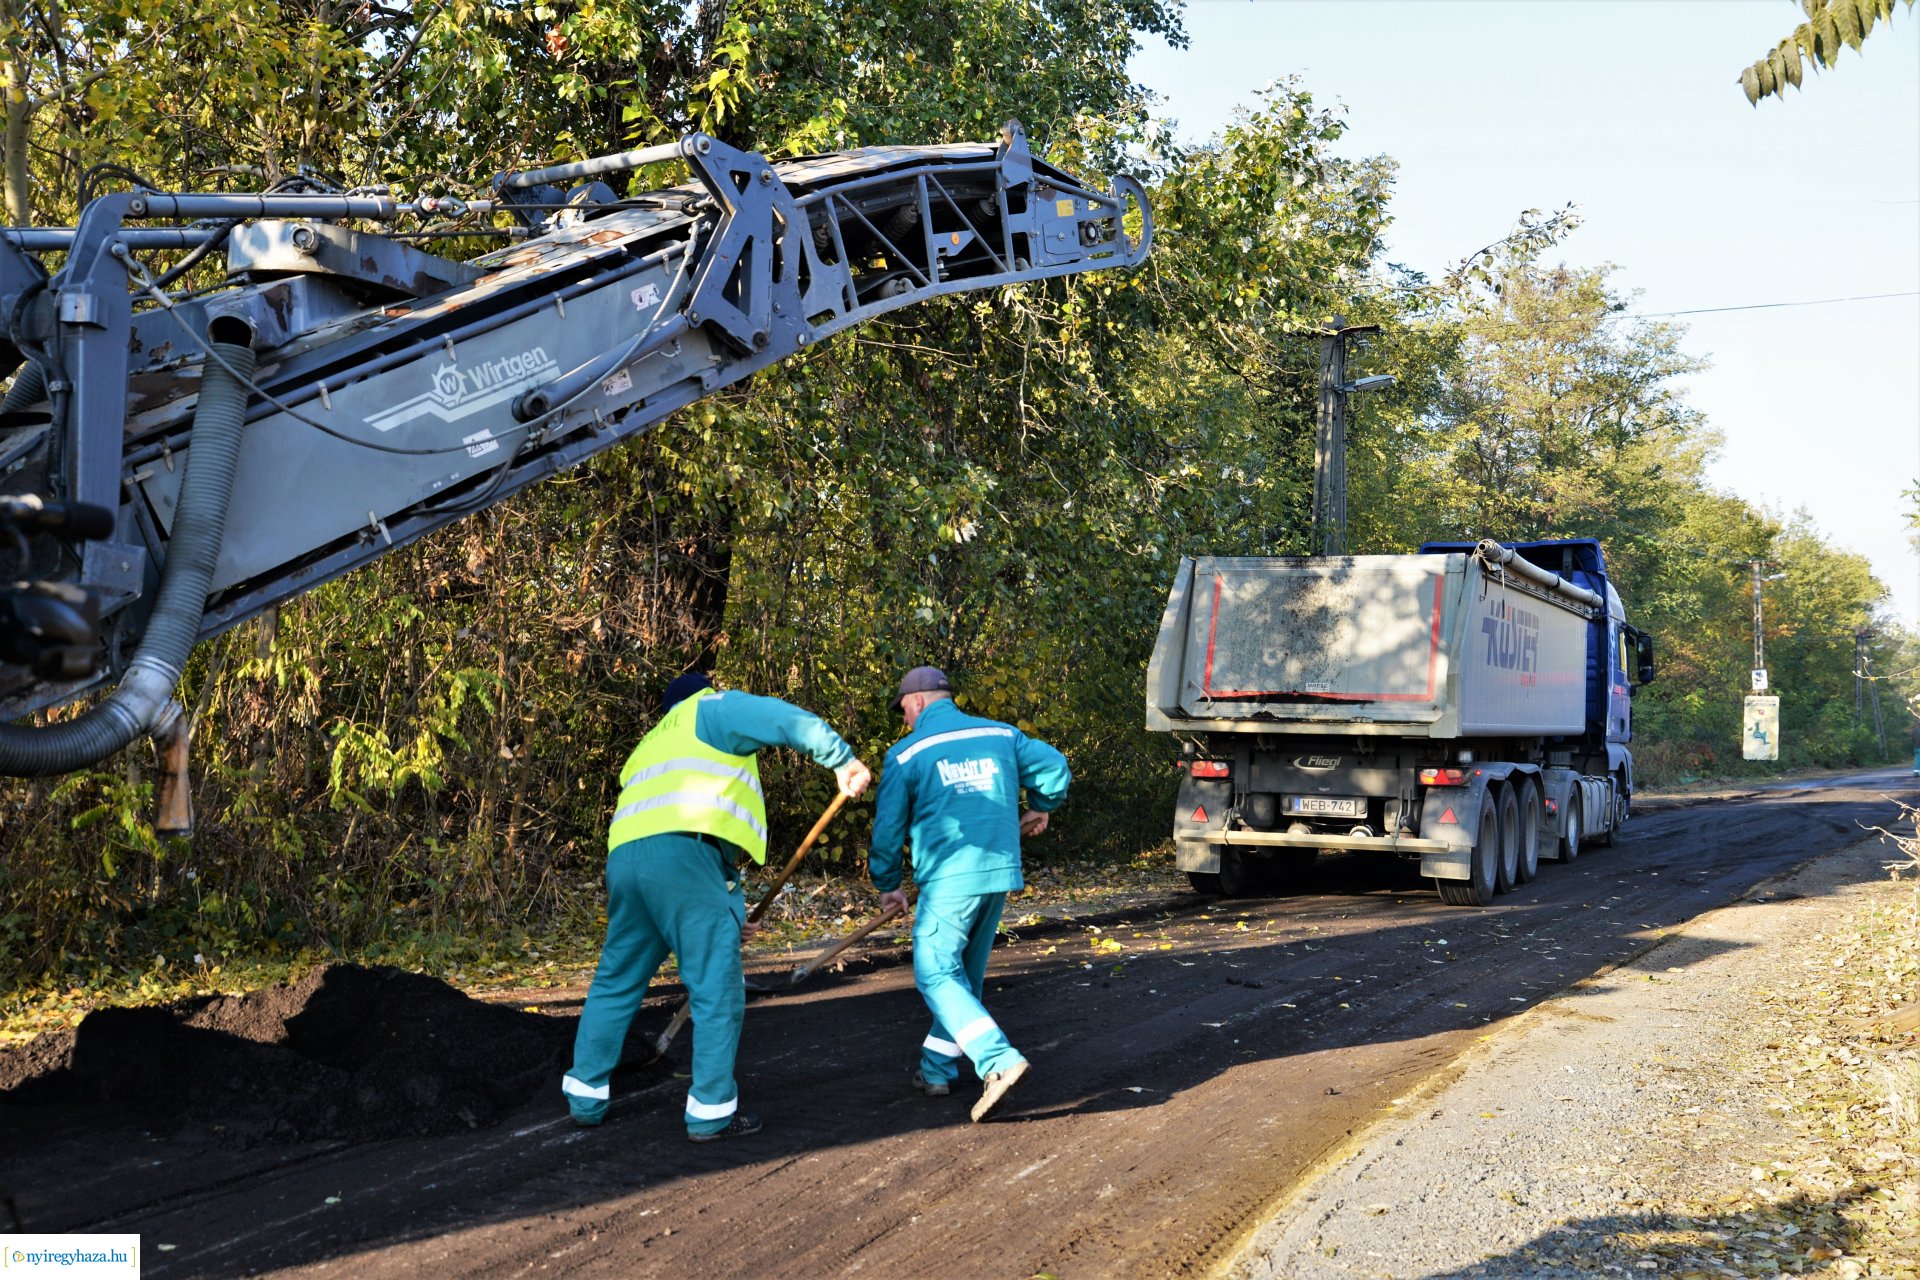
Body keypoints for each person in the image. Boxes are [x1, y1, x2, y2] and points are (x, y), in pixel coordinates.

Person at [562, 672, 871, 1140]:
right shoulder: (711, 708)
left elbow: (699, 836)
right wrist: (841, 758)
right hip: (685, 861)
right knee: (716, 988)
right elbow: (780, 718)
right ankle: (711, 1113)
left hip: (627, 862)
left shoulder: (650, 745)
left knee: (617, 978)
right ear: (705, 691)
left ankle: (585, 1098)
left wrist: (731, 913)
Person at [869, 665, 1071, 1122]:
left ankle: (998, 1062)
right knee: (962, 978)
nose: (903, 719)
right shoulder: (1002, 736)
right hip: (998, 872)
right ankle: (936, 1068)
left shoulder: (906, 754)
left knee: (935, 972)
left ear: (918, 701)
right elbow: (1055, 767)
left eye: (903, 709)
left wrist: (887, 885)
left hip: (949, 878)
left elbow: (887, 832)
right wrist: (1042, 806)